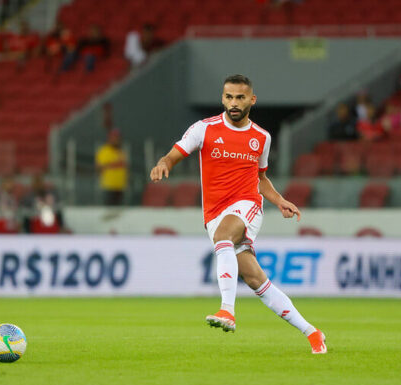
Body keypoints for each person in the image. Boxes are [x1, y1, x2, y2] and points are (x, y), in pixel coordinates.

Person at [149, 74, 326, 354]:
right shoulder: (204, 129)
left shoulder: (261, 137)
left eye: (240, 97)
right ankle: (313, 332)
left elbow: (261, 178)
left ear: (251, 100)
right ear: (222, 98)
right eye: (229, 97)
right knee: (257, 280)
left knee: (223, 237)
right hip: (214, 212)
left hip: (247, 205)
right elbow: (174, 154)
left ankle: (227, 311)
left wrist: (279, 201)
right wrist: (163, 163)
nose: (234, 103)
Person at [96, 128, 128, 206]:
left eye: (118, 138)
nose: (116, 140)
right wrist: (114, 165)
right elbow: (100, 167)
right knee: (108, 211)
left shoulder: (120, 152)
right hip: (109, 187)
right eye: (114, 138)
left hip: (120, 186)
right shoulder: (104, 151)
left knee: (119, 212)